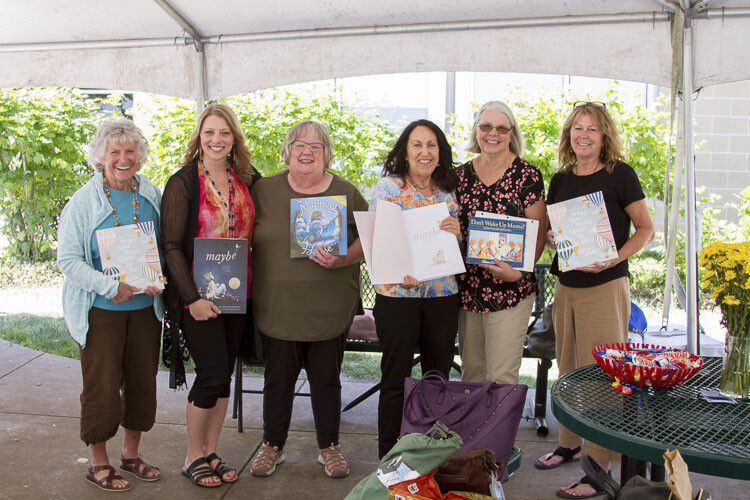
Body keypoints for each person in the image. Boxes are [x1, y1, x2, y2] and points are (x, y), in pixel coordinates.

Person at [535, 101, 654, 499]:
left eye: (592, 129)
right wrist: (554, 238)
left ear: (604, 137)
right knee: (567, 368)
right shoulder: (560, 180)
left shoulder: (620, 175)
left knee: (603, 374)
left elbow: (645, 229)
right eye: (576, 129)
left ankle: (599, 469)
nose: (583, 135)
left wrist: (614, 256)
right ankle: (569, 444)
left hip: (606, 287)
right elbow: (556, 232)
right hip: (567, 286)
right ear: (569, 135)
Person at [249, 120, 367, 478]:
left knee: (326, 380)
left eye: (316, 146)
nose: (307, 152)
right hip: (277, 307)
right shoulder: (262, 190)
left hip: (328, 308)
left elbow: (370, 237)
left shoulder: (346, 192)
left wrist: (344, 257)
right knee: (278, 379)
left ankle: (329, 447)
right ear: (287, 151)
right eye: (300, 145)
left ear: (327, 154)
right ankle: (272, 446)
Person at [57, 118, 164, 492]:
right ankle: (98, 461)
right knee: (101, 388)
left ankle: (130, 456)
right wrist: (108, 285)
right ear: (100, 156)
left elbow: (163, 248)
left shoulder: (151, 193)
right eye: (114, 152)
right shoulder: (83, 202)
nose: (123, 158)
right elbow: (68, 260)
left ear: (140, 155)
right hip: (100, 312)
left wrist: (158, 279)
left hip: (144, 312)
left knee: (141, 384)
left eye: (130, 151)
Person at [161, 103, 260, 488]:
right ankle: (191, 456)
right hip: (198, 298)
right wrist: (191, 300)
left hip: (238, 296)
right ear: (198, 138)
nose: (216, 140)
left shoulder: (246, 179)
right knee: (212, 371)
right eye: (209, 133)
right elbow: (171, 246)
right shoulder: (183, 182)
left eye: (224, 133)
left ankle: (210, 451)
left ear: (234, 139)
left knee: (224, 377)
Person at [371, 119, 463, 459]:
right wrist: (398, 271)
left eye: (431, 145)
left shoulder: (447, 190)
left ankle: (430, 454)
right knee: (394, 377)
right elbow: (379, 242)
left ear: (440, 152)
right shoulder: (389, 188)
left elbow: (456, 245)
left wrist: (457, 233)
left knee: (437, 379)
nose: (424, 152)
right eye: (417, 145)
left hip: (442, 296)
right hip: (398, 297)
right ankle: (390, 456)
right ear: (405, 152)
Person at [455, 101, 547, 386]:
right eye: (485, 126)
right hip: (469, 290)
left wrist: (519, 272)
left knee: (501, 378)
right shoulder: (459, 176)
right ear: (476, 131)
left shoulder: (527, 176)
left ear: (511, 133)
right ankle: (470, 432)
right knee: (471, 375)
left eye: (501, 127)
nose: (492, 133)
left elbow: (540, 231)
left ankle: (497, 432)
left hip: (511, 290)